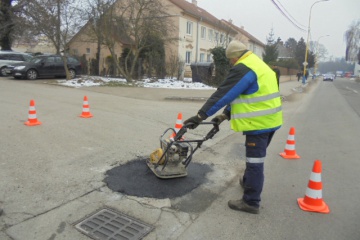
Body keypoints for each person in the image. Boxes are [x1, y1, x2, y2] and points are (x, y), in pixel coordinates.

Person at [184, 40, 283, 214]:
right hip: (271, 120)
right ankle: (248, 181)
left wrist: (200, 116)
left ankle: (251, 202)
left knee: (255, 162)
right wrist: (224, 115)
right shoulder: (258, 64)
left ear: (235, 57)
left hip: (259, 124)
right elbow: (244, 94)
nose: (231, 63)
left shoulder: (244, 67)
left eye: (231, 60)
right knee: (254, 160)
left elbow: (224, 93)